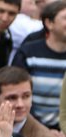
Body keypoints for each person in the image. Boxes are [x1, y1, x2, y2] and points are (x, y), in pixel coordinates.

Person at [12, 0, 66, 130]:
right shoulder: (29, 52)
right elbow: (15, 90)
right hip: (29, 126)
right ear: (49, 23)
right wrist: (42, 130)